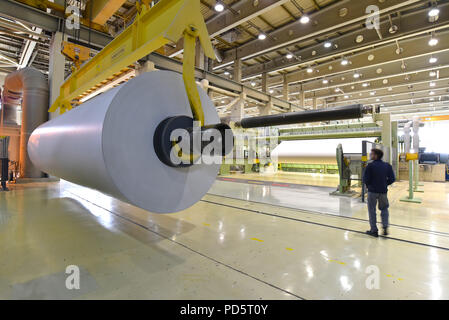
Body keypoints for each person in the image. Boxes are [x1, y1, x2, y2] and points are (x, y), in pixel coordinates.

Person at [363, 148, 395, 237]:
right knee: (384, 209)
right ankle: (385, 227)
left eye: (371, 154)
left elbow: (366, 179)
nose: (370, 155)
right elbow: (392, 179)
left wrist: (369, 185)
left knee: (372, 210)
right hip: (383, 192)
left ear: (376, 155)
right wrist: (385, 184)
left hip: (372, 192)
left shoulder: (370, 166)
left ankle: (374, 230)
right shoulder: (387, 166)